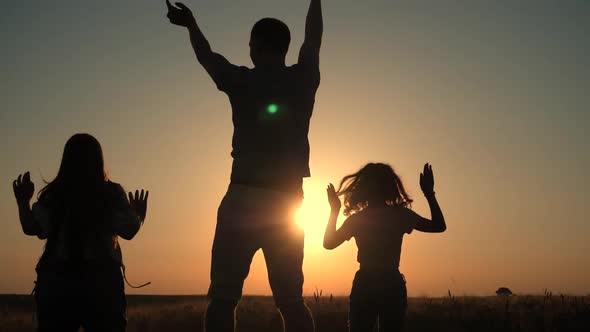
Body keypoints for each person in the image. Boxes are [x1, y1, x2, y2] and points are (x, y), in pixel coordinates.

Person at [166, 0, 322, 331]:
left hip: (244, 197)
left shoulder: (241, 82)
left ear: (259, 45)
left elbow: (207, 57)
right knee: (291, 300)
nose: (248, 49)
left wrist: (191, 24)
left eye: (251, 44)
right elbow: (313, 38)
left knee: (223, 298)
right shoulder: (304, 79)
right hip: (288, 202)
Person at [12, 133, 149, 332]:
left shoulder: (55, 195)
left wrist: (23, 202)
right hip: (102, 284)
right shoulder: (110, 194)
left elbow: (32, 227)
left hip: (58, 281)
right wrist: (139, 215)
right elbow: (128, 230)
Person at [323, 163, 446, 332]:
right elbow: (438, 226)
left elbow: (328, 244)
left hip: (365, 283)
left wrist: (334, 211)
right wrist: (429, 194)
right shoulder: (400, 215)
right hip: (391, 283)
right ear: (390, 186)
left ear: (363, 187)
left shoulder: (358, 219)